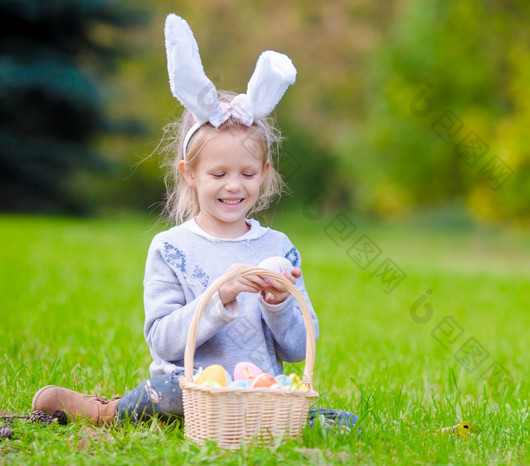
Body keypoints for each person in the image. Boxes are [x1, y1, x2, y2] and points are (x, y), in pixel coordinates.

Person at [32, 13, 357, 434]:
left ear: (265, 172)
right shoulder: (172, 248)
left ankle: (264, 419)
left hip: (256, 391)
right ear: (190, 174)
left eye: (247, 173)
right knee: (167, 390)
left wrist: (278, 305)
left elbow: (298, 348)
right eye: (218, 175)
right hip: (187, 389)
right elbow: (164, 340)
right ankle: (108, 412)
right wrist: (219, 297)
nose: (234, 187)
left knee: (337, 422)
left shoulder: (278, 248)